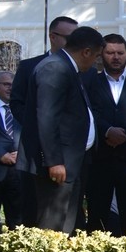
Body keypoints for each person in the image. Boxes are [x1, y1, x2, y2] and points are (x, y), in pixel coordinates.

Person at [15, 26, 105, 234]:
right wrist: (54, 160)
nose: (96, 63)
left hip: (71, 162)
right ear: (86, 52)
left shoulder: (66, 67)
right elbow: (47, 117)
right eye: (97, 57)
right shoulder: (55, 68)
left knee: (66, 226)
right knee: (52, 227)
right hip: (56, 166)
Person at [10, 15, 78, 225]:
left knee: (69, 219)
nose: (74, 44)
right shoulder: (31, 66)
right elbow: (17, 102)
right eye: (69, 38)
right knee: (36, 213)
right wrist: (38, 125)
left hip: (72, 155)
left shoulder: (83, 69)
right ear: (53, 37)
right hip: (37, 154)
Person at [83, 34, 126, 234]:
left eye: (120, 53)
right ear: (101, 55)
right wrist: (107, 131)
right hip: (98, 160)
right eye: (110, 53)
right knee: (97, 217)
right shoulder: (89, 83)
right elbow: (86, 113)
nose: (116, 57)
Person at [0, 70, 22, 231]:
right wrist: (1, 155)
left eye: (13, 85)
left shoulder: (21, 109)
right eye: (6, 84)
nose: (10, 88)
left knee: (18, 221)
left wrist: (22, 153)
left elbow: (30, 133)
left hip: (18, 172)